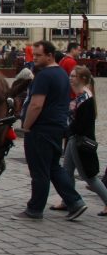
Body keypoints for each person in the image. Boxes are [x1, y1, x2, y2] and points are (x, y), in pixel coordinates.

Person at [15, 40, 87, 221]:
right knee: (54, 167)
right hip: (57, 127)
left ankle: (35, 209)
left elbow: (36, 104)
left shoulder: (44, 76)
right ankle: (75, 202)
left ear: (50, 55)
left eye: (39, 56)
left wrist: (26, 127)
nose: (36, 59)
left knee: (39, 171)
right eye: (34, 55)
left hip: (41, 128)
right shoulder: (62, 74)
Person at [50, 65, 107, 217]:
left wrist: (65, 133)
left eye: (74, 76)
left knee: (89, 177)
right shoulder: (81, 96)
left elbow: (80, 125)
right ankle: (68, 200)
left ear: (82, 79)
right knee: (67, 171)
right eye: (71, 75)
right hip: (74, 138)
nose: (71, 78)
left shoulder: (85, 98)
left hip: (79, 141)